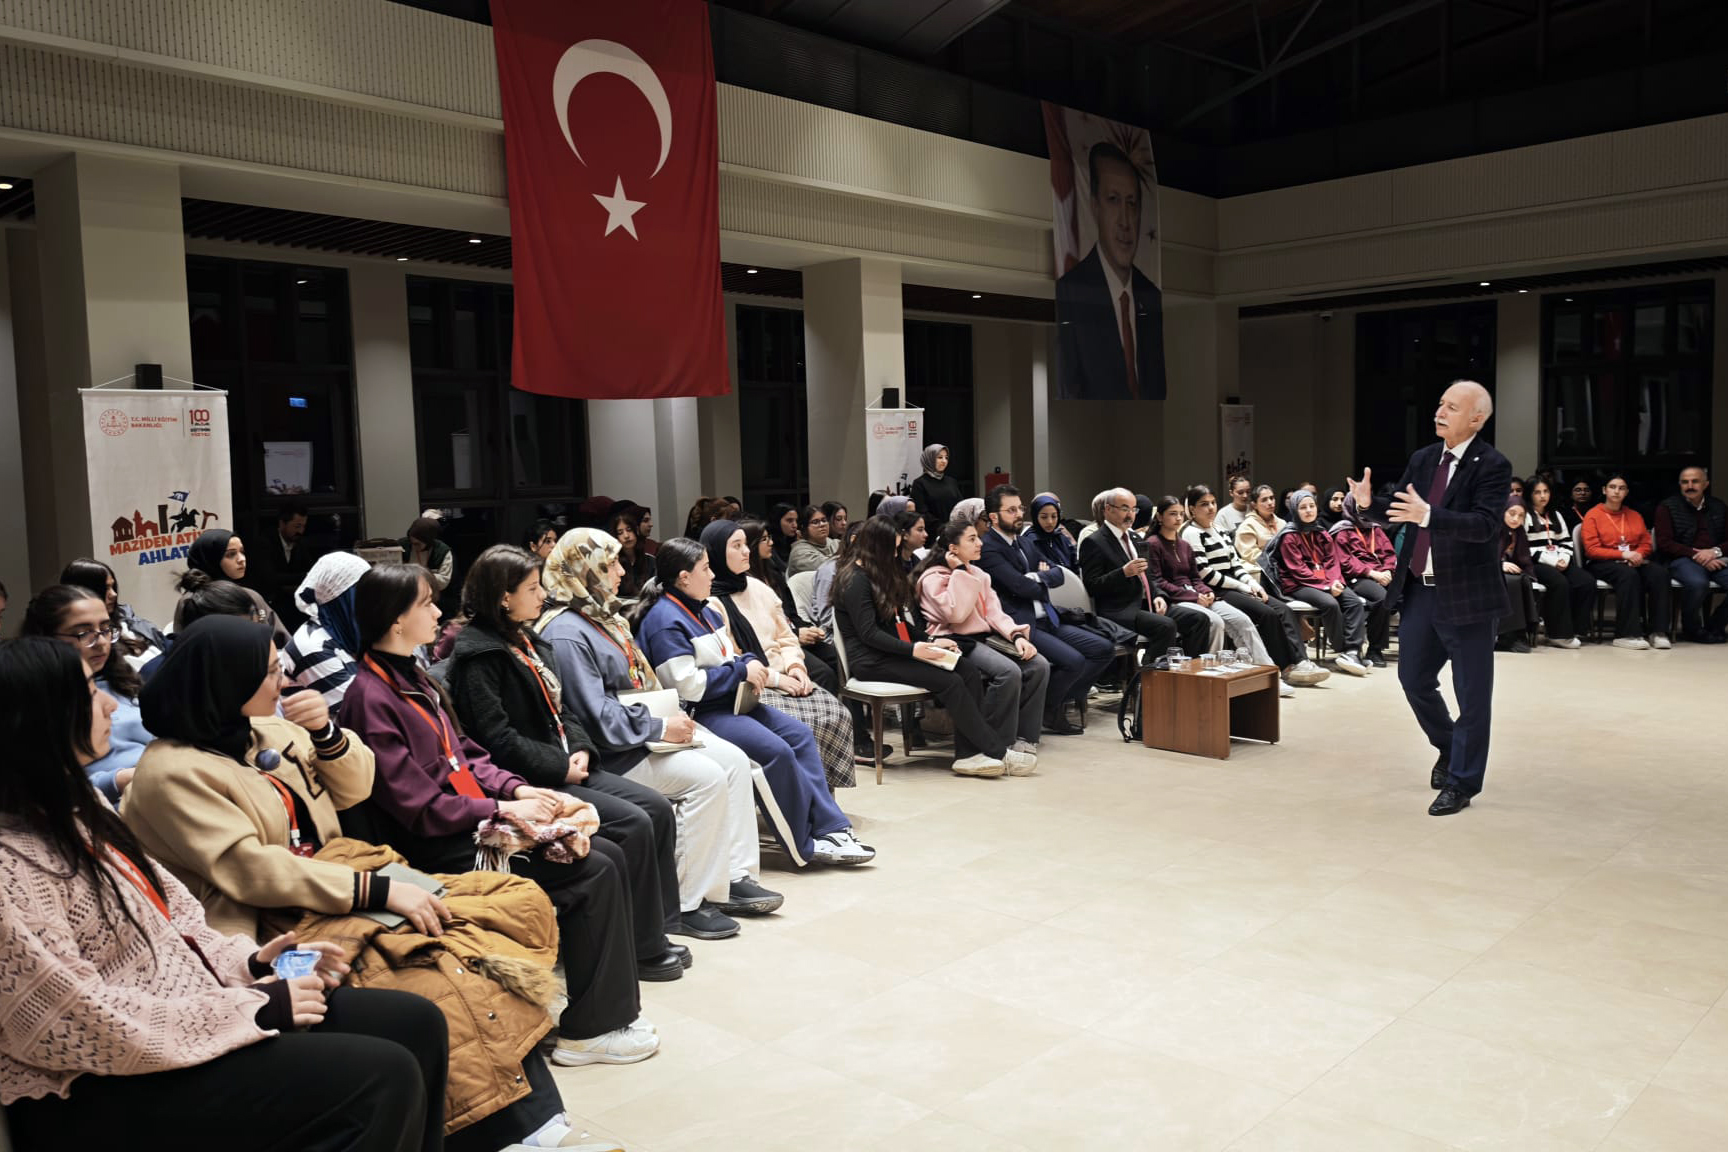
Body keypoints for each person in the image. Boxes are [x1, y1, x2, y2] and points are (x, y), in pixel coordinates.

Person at [0, 636, 444, 1152]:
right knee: (380, 1077)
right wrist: (253, 1008)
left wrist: (253, 965)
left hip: (184, 1014)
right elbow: (71, 1019)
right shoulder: (13, 864)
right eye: (86, 692)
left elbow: (176, 929)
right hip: (96, 1086)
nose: (107, 703)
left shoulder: (78, 811)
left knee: (416, 1022)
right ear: (38, 717)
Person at [338, 564, 657, 1067]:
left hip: (471, 820)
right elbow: (420, 809)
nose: (439, 611)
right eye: (426, 603)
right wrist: (503, 807)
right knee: (591, 869)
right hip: (440, 844)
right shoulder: (370, 697)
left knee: (608, 850)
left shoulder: (412, 676)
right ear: (396, 620)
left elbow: (466, 751)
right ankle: (588, 1032)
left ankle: (604, 1011)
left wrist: (520, 786)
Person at [443, 546, 701, 955]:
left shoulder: (526, 639)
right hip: (530, 779)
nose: (543, 594)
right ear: (504, 597)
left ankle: (657, 925)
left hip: (566, 763)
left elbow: (563, 710)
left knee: (655, 809)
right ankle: (642, 946)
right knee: (633, 823)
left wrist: (580, 748)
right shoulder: (480, 655)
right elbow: (499, 740)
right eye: (532, 587)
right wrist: (560, 765)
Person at [537, 528, 784, 926]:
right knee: (705, 778)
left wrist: (673, 720)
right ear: (585, 569)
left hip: (644, 728)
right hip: (616, 750)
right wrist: (658, 727)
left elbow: (642, 682)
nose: (621, 571)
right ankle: (686, 902)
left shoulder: (601, 613)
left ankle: (731, 878)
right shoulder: (567, 631)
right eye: (611, 563)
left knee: (735, 761)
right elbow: (593, 715)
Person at [634, 538, 875, 865]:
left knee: (801, 736)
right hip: (702, 712)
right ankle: (804, 844)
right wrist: (740, 671)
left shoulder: (704, 608)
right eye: (705, 568)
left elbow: (732, 652)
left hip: (734, 702)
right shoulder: (664, 620)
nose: (712, 573)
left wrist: (750, 663)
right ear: (683, 577)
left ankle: (832, 828)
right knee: (775, 752)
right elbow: (686, 686)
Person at [1346, 379, 1513, 815]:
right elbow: (1401, 510)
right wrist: (1367, 506)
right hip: (1422, 590)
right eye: (1440, 403)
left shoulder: (1492, 465)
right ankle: (1448, 745)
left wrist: (1432, 516)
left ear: (1476, 418)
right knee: (1414, 680)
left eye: (1452, 407)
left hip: (1470, 597)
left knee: (1472, 695)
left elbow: (1486, 526)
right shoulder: (1423, 459)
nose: (1440, 411)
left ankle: (1462, 783)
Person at [831, 517, 1008, 777]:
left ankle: (968, 754)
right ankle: (995, 750)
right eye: (891, 549)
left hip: (894, 651)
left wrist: (931, 641)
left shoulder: (878, 574)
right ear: (876, 547)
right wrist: (915, 650)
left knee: (966, 669)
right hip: (872, 661)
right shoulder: (855, 581)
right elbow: (869, 634)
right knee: (950, 681)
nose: (895, 554)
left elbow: (899, 623)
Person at [703, 521, 858, 789]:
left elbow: (785, 636)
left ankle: (822, 793)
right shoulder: (711, 601)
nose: (745, 552)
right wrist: (778, 679)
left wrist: (796, 666)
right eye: (736, 546)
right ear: (716, 552)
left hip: (785, 673)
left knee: (836, 712)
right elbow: (731, 656)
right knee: (804, 723)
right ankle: (799, 793)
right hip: (753, 684)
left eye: (745, 545)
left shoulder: (759, 588)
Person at [916, 519, 1047, 775]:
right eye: (972, 539)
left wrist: (1016, 636)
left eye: (978, 537)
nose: (980, 543)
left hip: (982, 637)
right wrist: (960, 575)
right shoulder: (933, 578)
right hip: (953, 641)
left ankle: (1025, 739)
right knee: (1009, 672)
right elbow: (955, 614)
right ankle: (996, 743)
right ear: (953, 549)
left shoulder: (980, 575)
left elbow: (995, 614)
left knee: (1038, 665)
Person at [979, 487, 1112, 732]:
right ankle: (1047, 710)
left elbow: (1058, 572)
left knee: (1103, 649)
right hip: (1021, 624)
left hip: (1047, 618)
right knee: (1074, 661)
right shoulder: (988, 548)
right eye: (1011, 510)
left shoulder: (1022, 542)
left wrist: (1037, 578)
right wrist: (1038, 579)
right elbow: (1020, 586)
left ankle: (1050, 705)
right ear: (994, 517)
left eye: (1020, 508)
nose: (1019, 514)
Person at [1181, 485, 1325, 691]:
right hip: (1217, 589)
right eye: (1204, 504)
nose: (1211, 508)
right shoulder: (1192, 533)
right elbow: (1206, 573)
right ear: (1192, 509)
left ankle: (1300, 661)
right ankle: (1282, 668)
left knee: (1283, 609)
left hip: (1236, 584)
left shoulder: (1219, 530)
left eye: (1213, 502)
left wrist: (1252, 583)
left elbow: (1236, 563)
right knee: (1266, 614)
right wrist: (1242, 586)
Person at [1054, 141, 1166, 400]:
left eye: (1132, 203)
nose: (1125, 222)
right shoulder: (1072, 290)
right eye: (1114, 201)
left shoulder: (1150, 295)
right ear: (1095, 207)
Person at [21, 584, 155, 801]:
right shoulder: (36, 695)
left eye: (105, 629)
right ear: (46, 638)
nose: (101, 642)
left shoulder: (122, 676)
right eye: (83, 633)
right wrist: (118, 780)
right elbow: (43, 782)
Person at [1146, 495, 1273, 664]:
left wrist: (1207, 591)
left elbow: (1195, 577)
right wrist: (1193, 596)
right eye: (1172, 514)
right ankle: (1208, 671)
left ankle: (1264, 668)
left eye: (1180, 514)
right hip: (1177, 600)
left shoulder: (1184, 545)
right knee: (1216, 622)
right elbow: (1158, 582)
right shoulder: (1153, 544)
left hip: (1198, 596)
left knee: (1243, 621)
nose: (1178, 518)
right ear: (1160, 517)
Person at [1079, 486, 1203, 658]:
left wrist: (1159, 595)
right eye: (1124, 508)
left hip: (1148, 603)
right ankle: (1147, 680)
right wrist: (1123, 573)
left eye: (1133, 509)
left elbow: (1149, 576)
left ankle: (1188, 676)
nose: (1130, 514)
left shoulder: (1136, 538)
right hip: (1121, 609)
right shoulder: (1094, 542)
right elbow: (1092, 585)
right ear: (1108, 509)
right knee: (1165, 626)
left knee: (1199, 620)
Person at [1274, 493, 1371, 675]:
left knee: (1354, 602)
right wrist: (1326, 586)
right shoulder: (1289, 536)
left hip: (1327, 581)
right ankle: (1342, 648)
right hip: (1298, 584)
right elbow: (1298, 569)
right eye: (1303, 507)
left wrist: (1334, 581)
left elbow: (1332, 562)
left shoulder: (1321, 532)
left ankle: (1352, 652)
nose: (1309, 510)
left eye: (1311, 506)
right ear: (1295, 510)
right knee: (1330, 603)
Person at [1582, 474, 1672, 651]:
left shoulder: (1634, 515)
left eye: (1621, 488)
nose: (1617, 491)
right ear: (1604, 490)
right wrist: (1624, 554)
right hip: (1603, 562)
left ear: (1627, 492)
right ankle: (1627, 634)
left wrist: (1638, 554)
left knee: (1660, 574)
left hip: (1633, 560)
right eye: (1613, 487)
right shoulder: (1593, 515)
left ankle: (1658, 632)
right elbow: (1592, 549)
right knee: (1628, 575)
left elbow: (1646, 543)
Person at [282, 551, 373, 707]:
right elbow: (363, 710)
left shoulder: (349, 636)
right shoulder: (312, 647)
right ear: (342, 598)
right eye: (362, 592)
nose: (371, 601)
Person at [1653, 465, 1728, 643]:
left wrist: (1714, 552)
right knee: (1697, 583)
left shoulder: (1718, 506)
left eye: (1695, 481)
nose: (1690, 486)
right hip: (1682, 559)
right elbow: (1665, 543)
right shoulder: (1667, 507)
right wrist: (1697, 555)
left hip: (1715, 557)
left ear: (1706, 484)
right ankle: (1692, 628)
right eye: (1685, 482)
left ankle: (1715, 625)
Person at [182, 528, 288, 645]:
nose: (242, 559)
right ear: (211, 558)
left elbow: (280, 638)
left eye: (242, 552)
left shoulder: (250, 595)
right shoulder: (190, 601)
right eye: (231, 554)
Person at [1521, 476, 1591, 649]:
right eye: (1537, 492)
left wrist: (1565, 558)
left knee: (1586, 581)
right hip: (1535, 562)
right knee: (1559, 583)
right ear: (1530, 494)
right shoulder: (1524, 515)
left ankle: (1576, 628)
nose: (1542, 496)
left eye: (1546, 491)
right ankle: (1558, 634)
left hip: (1559, 559)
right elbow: (1522, 548)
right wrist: (1551, 560)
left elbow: (1566, 541)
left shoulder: (1556, 515)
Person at [1328, 501, 1397, 667]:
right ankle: (1375, 649)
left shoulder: (1375, 528)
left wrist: (1388, 570)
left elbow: (1389, 553)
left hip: (1382, 575)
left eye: (1366, 507)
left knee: (1408, 593)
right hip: (1357, 578)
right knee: (1382, 598)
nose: (1363, 511)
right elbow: (1346, 562)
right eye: (1359, 507)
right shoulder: (1342, 530)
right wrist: (1372, 573)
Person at [60, 556, 171, 658]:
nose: (113, 594)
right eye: (105, 588)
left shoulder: (130, 622)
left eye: (113, 587)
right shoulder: (77, 643)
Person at [251, 499, 317, 627]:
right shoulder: (264, 543)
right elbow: (270, 578)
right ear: (282, 523)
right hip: (271, 602)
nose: (301, 531)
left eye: (303, 526)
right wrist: (303, 576)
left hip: (295, 603)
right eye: (297, 526)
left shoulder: (300, 543)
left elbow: (312, 571)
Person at [1496, 498, 1540, 653]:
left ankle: (1520, 633)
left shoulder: (1519, 532)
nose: (1516, 519)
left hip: (1507, 573)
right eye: (1512, 513)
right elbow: (1482, 556)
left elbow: (1524, 559)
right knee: (1511, 582)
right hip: (1488, 572)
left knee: (1522, 580)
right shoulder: (1493, 528)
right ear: (1503, 512)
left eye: (1521, 516)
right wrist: (1500, 565)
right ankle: (1506, 637)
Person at [909, 444, 963, 527]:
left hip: (954, 531)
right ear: (929, 459)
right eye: (940, 457)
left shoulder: (951, 481)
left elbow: (960, 506)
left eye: (946, 458)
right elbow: (922, 513)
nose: (944, 461)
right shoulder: (920, 483)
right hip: (932, 533)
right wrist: (942, 527)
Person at [1023, 493, 1079, 571]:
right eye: (1044, 517)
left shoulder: (1061, 536)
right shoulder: (1029, 541)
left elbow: (1075, 564)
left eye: (1054, 516)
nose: (1050, 522)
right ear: (1035, 517)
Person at [401, 516, 454, 599]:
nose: (414, 547)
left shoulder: (442, 551)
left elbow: (443, 581)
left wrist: (415, 575)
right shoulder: (403, 545)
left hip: (433, 597)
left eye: (417, 544)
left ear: (428, 541)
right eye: (412, 543)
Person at [608, 508, 655, 599]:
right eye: (620, 532)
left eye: (629, 530)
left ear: (637, 531)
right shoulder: (612, 564)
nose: (626, 536)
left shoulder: (651, 561)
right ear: (616, 537)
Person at [1233, 485, 1285, 567]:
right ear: (1254, 505)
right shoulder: (1247, 526)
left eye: (1272, 498)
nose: (1270, 503)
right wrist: (1276, 561)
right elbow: (1250, 555)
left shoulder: (1283, 523)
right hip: (1260, 569)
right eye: (1264, 500)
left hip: (1284, 566)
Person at [785, 504, 833, 577]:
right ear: (804, 528)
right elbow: (830, 567)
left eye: (824, 520)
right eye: (815, 522)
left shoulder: (836, 543)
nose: (822, 524)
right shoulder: (799, 553)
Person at [768, 503, 800, 573]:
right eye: (789, 521)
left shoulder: (795, 541)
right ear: (777, 521)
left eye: (796, 521)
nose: (795, 525)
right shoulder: (768, 544)